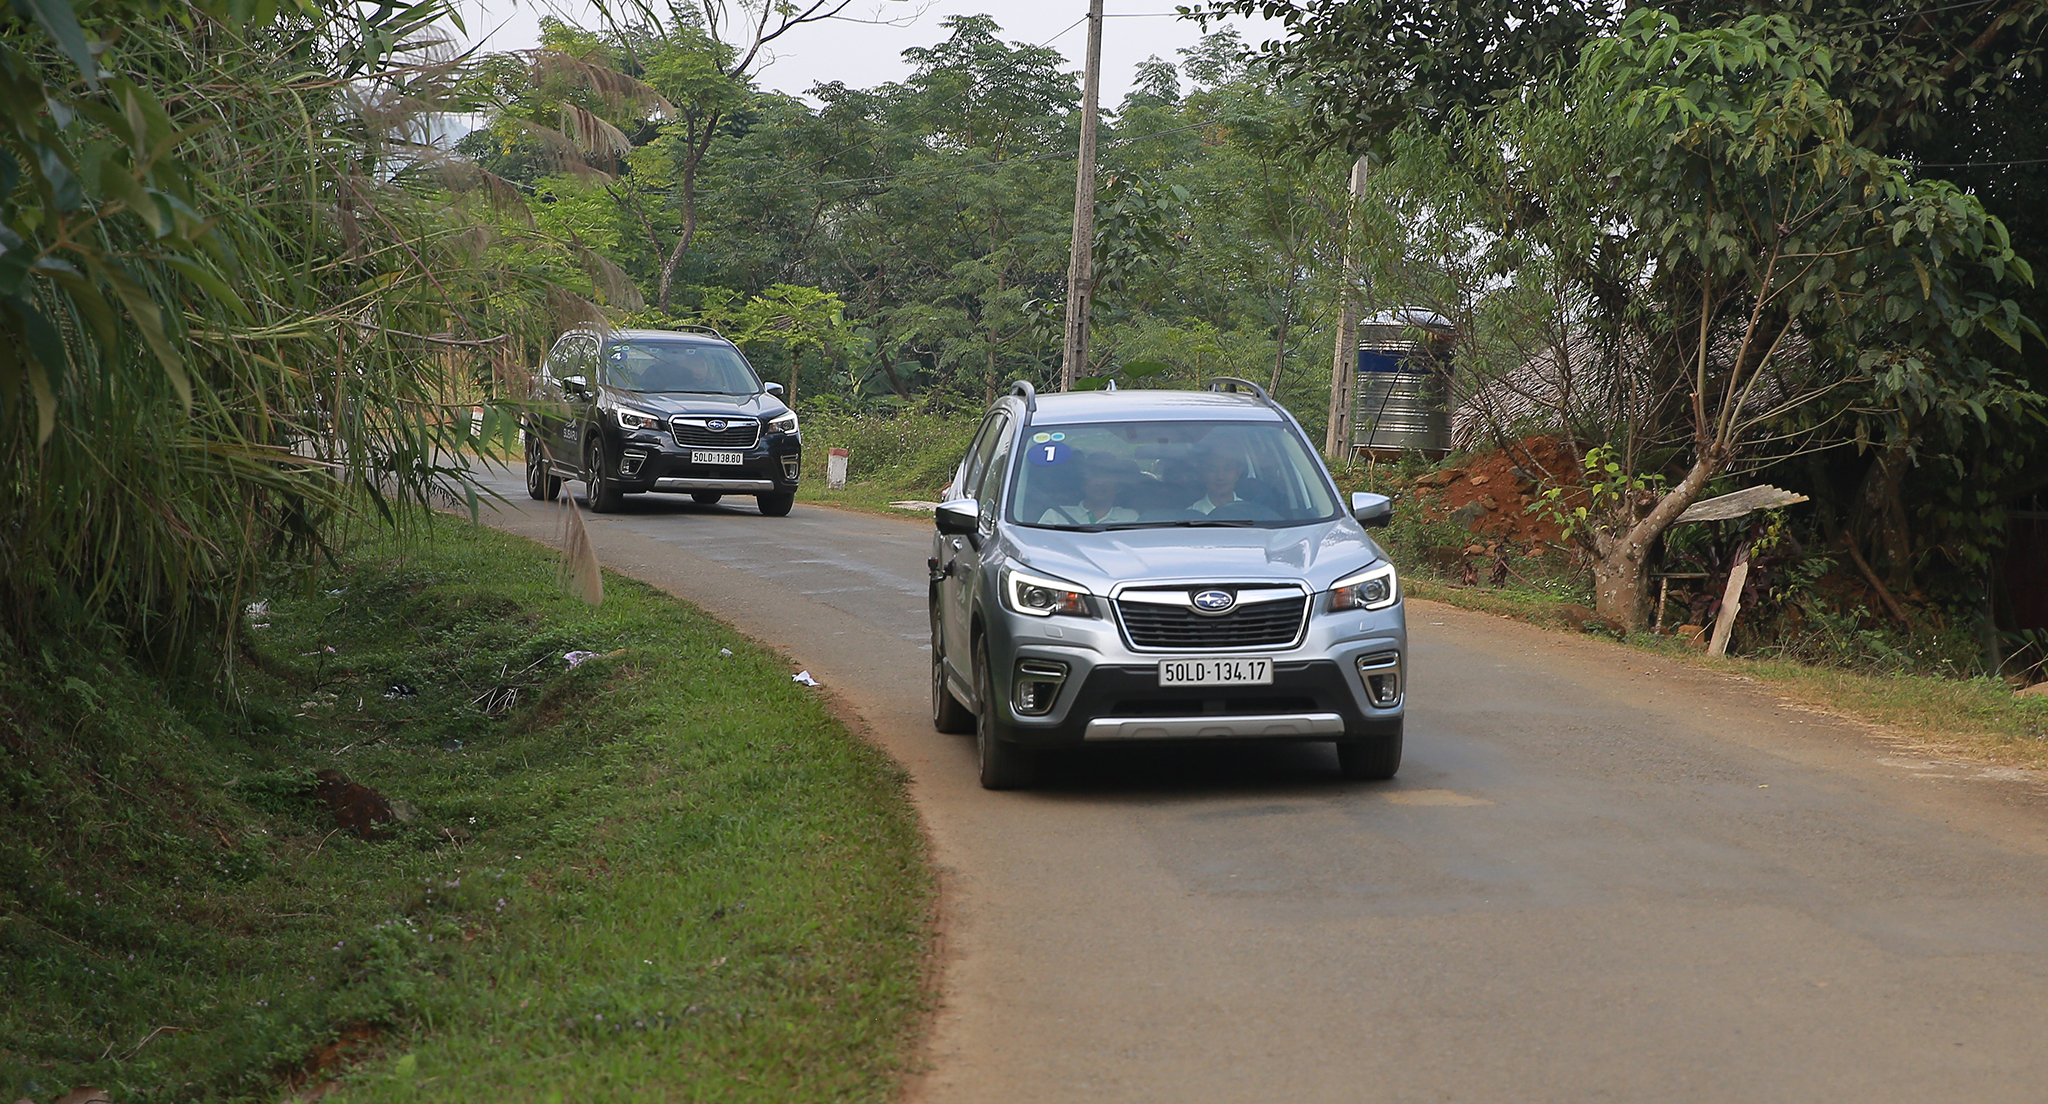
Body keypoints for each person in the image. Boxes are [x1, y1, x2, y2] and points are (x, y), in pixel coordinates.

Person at [1039, 457, 1140, 525]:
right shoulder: (1056, 515)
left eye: (1107, 477)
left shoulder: (1130, 518)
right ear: (1082, 484)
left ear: (1119, 487)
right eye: (1094, 476)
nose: (1100, 483)